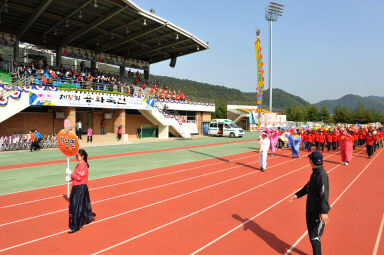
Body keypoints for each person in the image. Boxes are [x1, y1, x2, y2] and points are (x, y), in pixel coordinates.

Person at [290, 151, 330, 255]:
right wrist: (297, 194)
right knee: (312, 236)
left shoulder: (321, 174)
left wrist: (324, 211)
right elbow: (309, 186)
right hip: (311, 210)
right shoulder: (316, 172)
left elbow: (324, 193)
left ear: (311, 161)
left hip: (317, 211)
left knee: (314, 237)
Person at [65, 149, 96, 234]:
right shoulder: (77, 166)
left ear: (82, 156)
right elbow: (76, 177)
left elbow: (79, 177)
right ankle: (82, 220)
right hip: (76, 187)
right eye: (76, 155)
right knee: (77, 206)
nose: (76, 156)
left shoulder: (84, 165)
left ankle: (75, 226)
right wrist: (70, 179)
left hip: (81, 188)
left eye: (78, 155)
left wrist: (71, 173)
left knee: (76, 207)